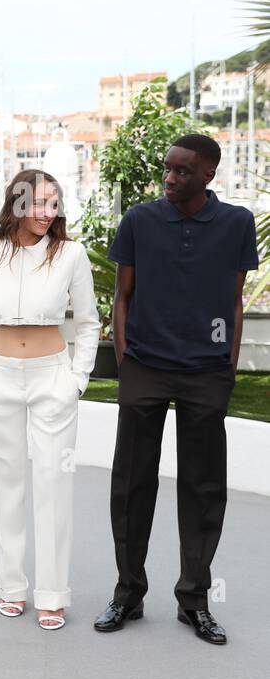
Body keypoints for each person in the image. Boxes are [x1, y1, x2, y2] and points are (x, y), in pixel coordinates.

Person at [95, 134, 259, 645]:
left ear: (208, 175)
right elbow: (122, 297)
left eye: (182, 171)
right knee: (130, 485)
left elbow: (234, 300)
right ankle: (128, 593)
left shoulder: (236, 223)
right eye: (168, 168)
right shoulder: (140, 221)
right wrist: (126, 361)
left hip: (207, 372)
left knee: (204, 488)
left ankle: (195, 601)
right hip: (145, 366)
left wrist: (226, 366)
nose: (170, 177)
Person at [0, 170, 97, 631]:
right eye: (39, 202)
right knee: (4, 485)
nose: (47, 213)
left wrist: (77, 379)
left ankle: (53, 594)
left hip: (52, 377)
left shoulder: (71, 255)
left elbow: (87, 324)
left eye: (54, 204)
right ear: (16, 203)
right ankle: (11, 586)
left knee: (53, 486)